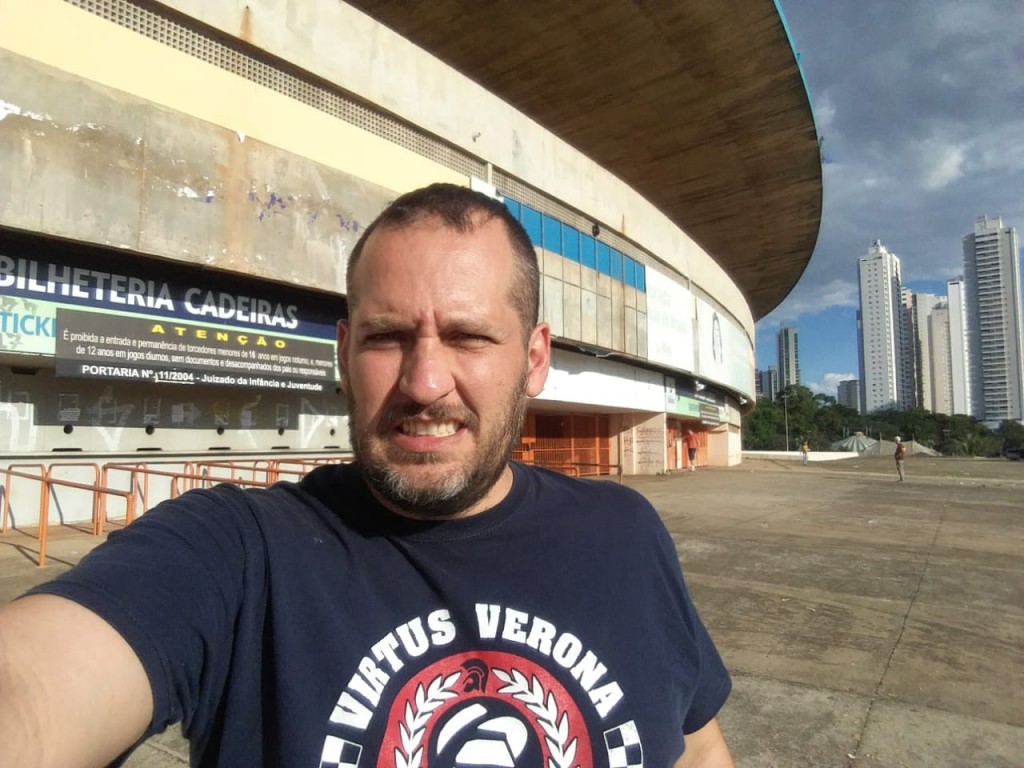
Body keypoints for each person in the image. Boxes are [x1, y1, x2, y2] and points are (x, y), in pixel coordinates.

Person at [0, 184, 733, 768]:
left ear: (535, 358)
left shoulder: (624, 533)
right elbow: (29, 693)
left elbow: (695, 746)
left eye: (469, 336)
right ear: (344, 355)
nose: (424, 381)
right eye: (387, 337)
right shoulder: (238, 553)